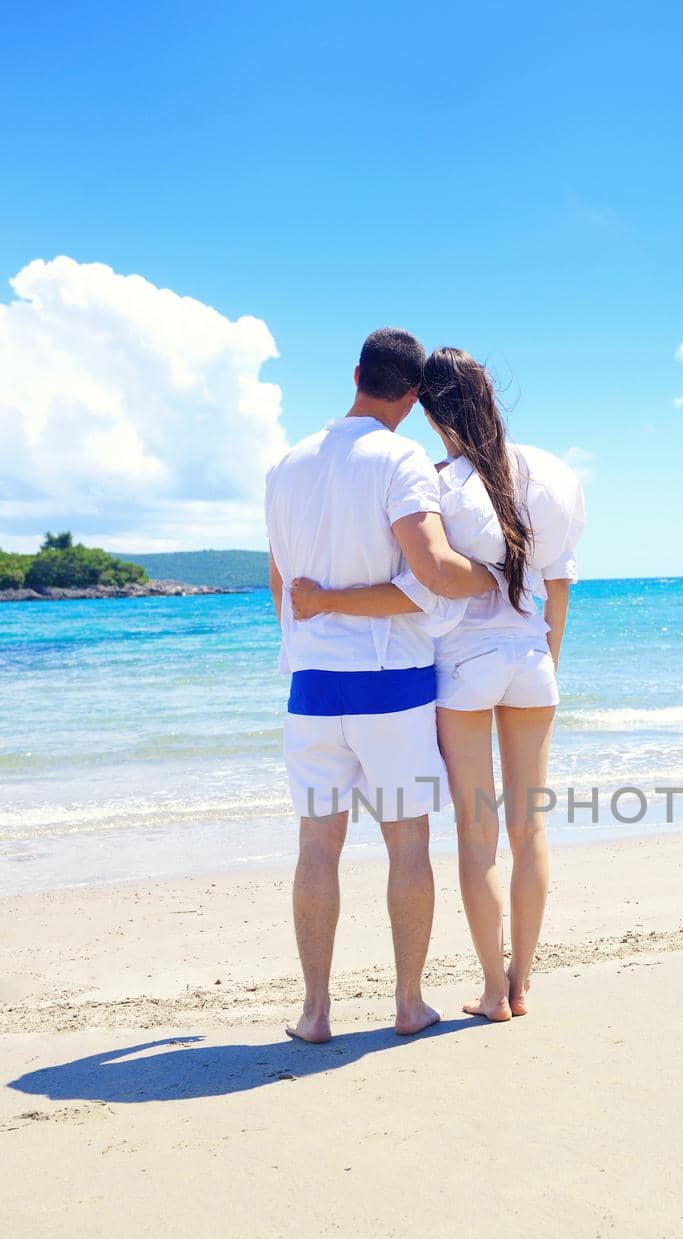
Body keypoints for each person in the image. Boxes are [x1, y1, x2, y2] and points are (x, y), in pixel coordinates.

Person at [290, 346, 584, 1023]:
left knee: (477, 837)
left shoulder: (435, 481)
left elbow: (423, 581)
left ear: (426, 407)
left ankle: (490, 992)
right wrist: (546, 665)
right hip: (530, 661)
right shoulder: (547, 473)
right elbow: (559, 587)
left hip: (462, 670)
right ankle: (522, 982)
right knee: (529, 828)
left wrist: (328, 600)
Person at [266, 328, 495, 1043]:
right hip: (389, 684)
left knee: (316, 846)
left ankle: (314, 1012)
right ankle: (407, 1003)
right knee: (405, 846)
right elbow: (428, 568)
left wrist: (313, 620)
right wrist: (491, 579)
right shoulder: (399, 458)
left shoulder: (287, 461)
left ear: (357, 373)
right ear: (414, 394)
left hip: (310, 684)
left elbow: (280, 580)